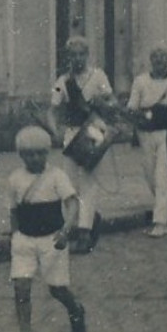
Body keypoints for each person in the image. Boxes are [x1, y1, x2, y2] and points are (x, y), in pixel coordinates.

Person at [1, 126, 86, 332]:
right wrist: (14, 235)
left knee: (57, 289)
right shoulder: (15, 179)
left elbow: (72, 203)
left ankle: (76, 309)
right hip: (25, 240)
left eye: (39, 153)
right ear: (21, 155)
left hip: (52, 239)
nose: (34, 158)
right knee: (21, 287)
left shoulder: (56, 176)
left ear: (47, 153)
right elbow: (13, 211)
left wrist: (67, 229)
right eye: (29, 154)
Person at [50, 36, 119, 253]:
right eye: (73, 55)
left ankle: (84, 232)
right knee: (69, 184)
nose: (78, 58)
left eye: (81, 54)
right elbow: (52, 109)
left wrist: (103, 102)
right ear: (68, 57)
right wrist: (55, 129)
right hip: (71, 134)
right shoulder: (62, 82)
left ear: (87, 55)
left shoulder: (98, 76)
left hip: (92, 131)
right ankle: (75, 223)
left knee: (89, 182)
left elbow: (112, 101)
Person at [127, 46, 167, 237]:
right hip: (145, 133)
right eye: (155, 57)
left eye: (162, 57)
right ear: (150, 60)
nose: (158, 60)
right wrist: (134, 115)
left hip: (166, 132)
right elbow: (132, 105)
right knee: (150, 175)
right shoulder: (141, 81)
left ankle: (160, 222)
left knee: (162, 175)